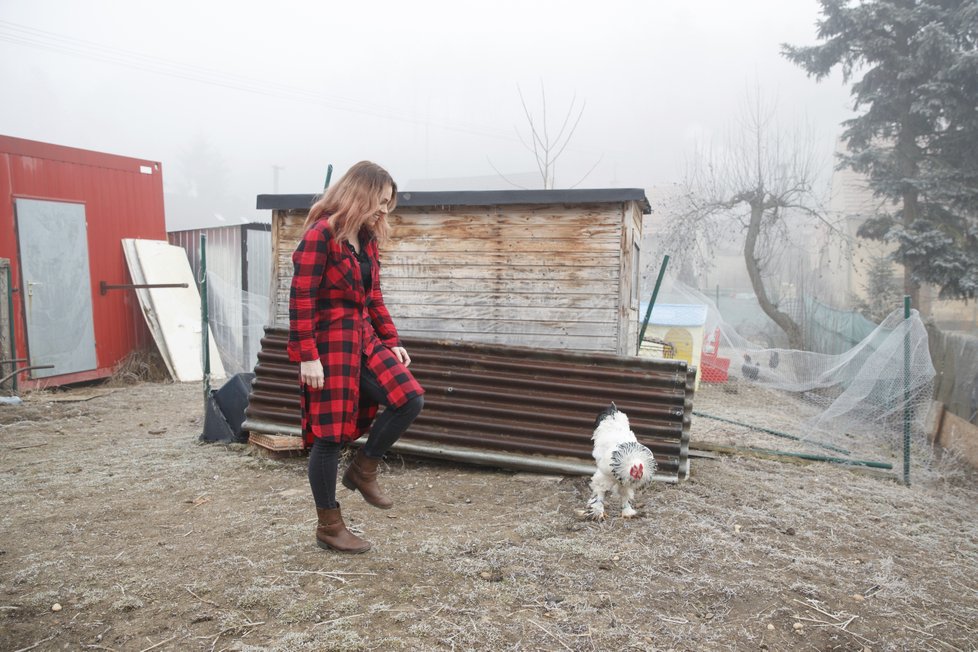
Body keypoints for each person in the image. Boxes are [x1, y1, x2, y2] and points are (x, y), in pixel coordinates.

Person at [288, 161, 424, 554]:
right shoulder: (320, 235)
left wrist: (390, 338)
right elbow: (301, 298)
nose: (384, 210)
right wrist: (307, 356)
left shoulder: (366, 239)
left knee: (409, 398)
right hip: (328, 345)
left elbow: (373, 296)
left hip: (362, 338)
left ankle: (363, 468)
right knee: (328, 437)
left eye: (388, 203)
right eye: (380, 201)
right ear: (360, 195)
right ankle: (329, 525)